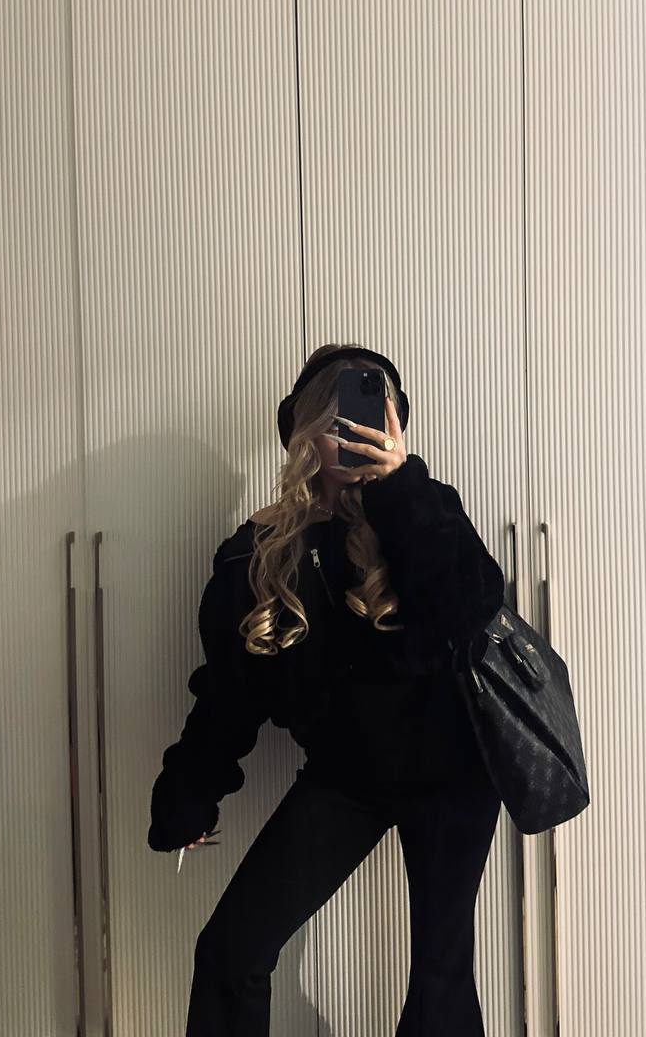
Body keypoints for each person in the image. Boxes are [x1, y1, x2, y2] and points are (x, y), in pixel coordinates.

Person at [148, 343, 509, 1036]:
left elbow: (470, 615)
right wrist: (190, 792)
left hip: (455, 770)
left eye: (376, 414)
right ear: (305, 430)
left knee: (440, 986)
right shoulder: (254, 553)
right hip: (347, 779)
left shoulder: (423, 511)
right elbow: (229, 695)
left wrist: (401, 490)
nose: (358, 430)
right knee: (230, 953)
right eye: (339, 417)